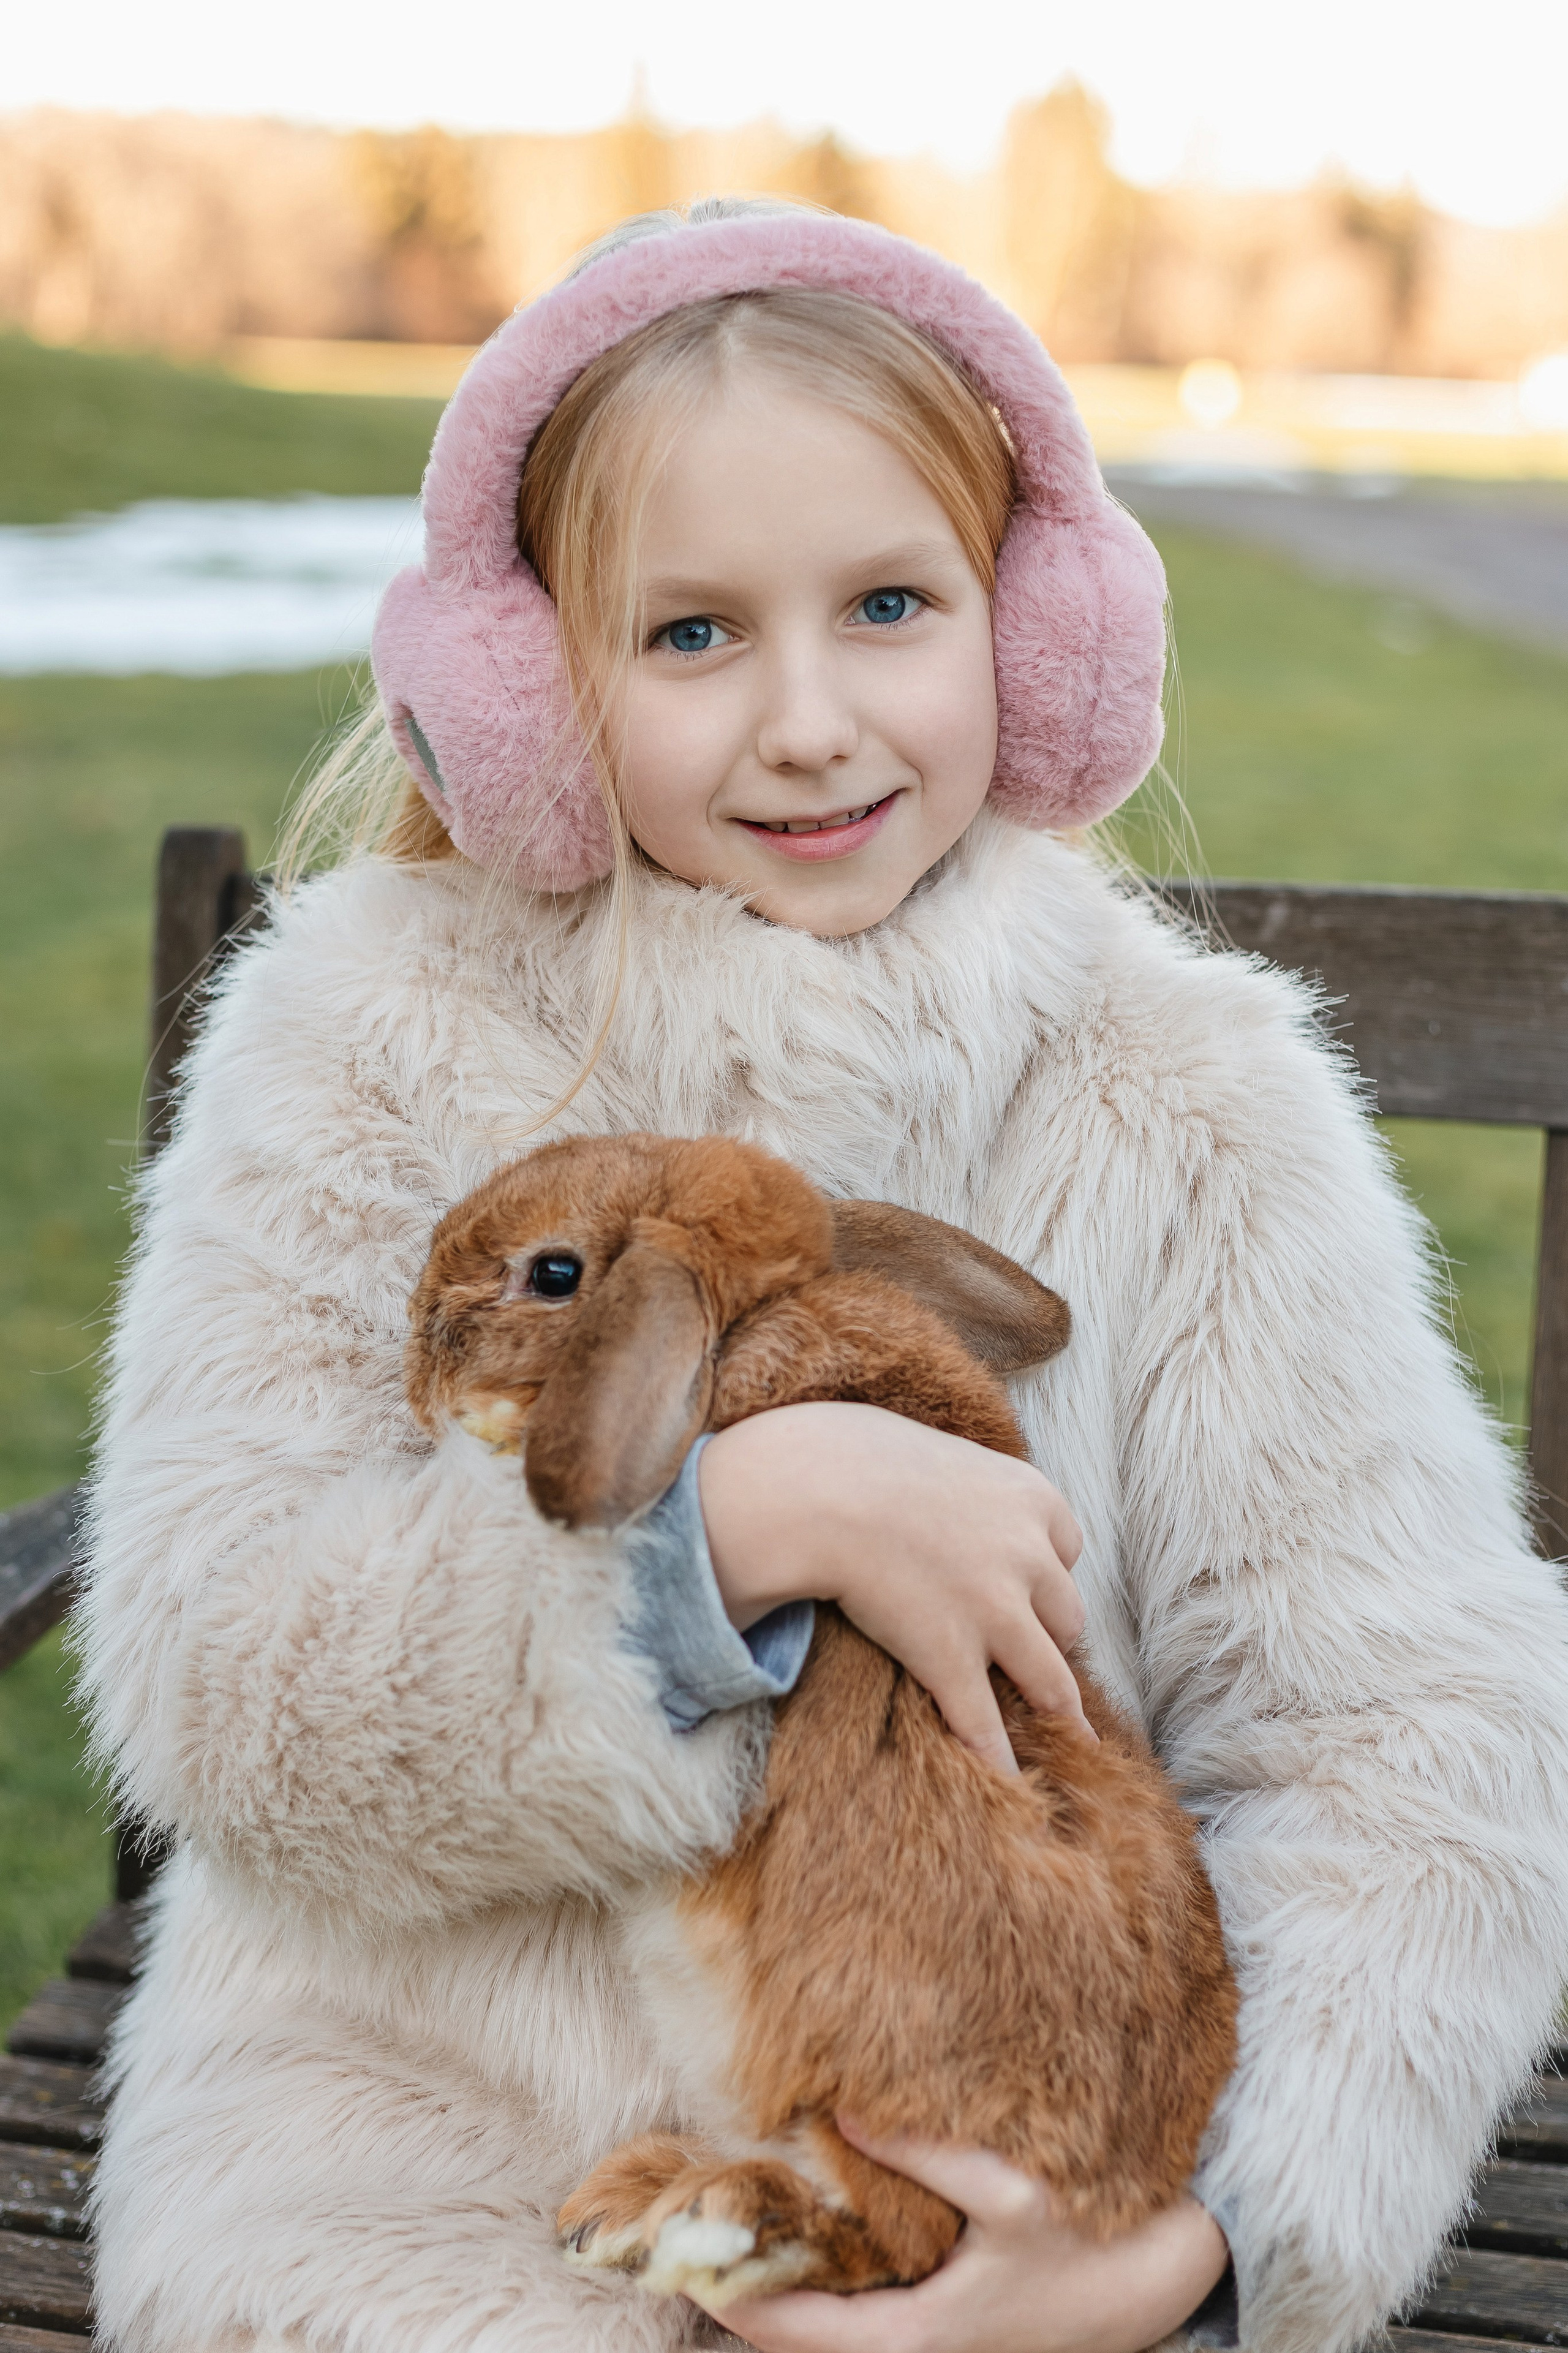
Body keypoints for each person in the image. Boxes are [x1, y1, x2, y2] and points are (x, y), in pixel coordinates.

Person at [78, 197, 1568, 2353]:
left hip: (1012, 2199)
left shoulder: (1194, 1103)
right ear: (530, 688)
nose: (805, 720)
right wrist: (717, 1548)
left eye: (887, 603)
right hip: (414, 2169)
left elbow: (1422, 1745)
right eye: (690, 635)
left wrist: (1198, 2244)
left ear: (1034, 636)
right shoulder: (364, 1040)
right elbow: (220, 1680)